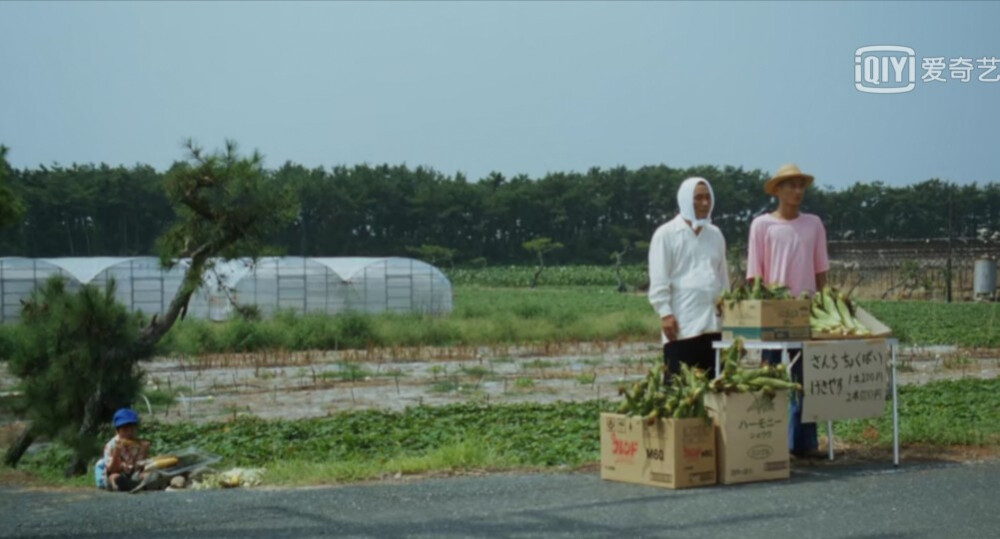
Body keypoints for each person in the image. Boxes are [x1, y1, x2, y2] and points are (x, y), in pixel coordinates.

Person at [747, 163, 829, 458]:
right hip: (773, 310)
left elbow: (821, 270)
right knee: (769, 373)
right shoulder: (762, 225)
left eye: (800, 185)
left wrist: (824, 302)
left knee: (804, 378)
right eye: (790, 185)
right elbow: (754, 274)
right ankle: (767, 437)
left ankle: (805, 443)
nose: (797, 191)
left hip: (805, 309)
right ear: (777, 190)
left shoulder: (813, 224)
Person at [648, 177, 729, 380]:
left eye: (708, 198)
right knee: (680, 393)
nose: (704, 203)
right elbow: (659, 279)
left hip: (713, 326)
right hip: (682, 327)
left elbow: (722, 276)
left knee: (714, 393)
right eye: (698, 198)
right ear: (685, 200)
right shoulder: (666, 234)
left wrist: (727, 304)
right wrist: (665, 313)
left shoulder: (716, 234)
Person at [101, 408, 151, 492]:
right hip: (118, 473)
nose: (129, 433)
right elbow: (112, 470)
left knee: (147, 475)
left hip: (133, 473)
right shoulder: (110, 446)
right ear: (117, 430)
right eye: (125, 430)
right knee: (114, 477)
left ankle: (138, 484)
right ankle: (131, 485)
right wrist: (116, 454)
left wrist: (143, 451)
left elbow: (140, 466)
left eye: (132, 429)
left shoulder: (138, 444)